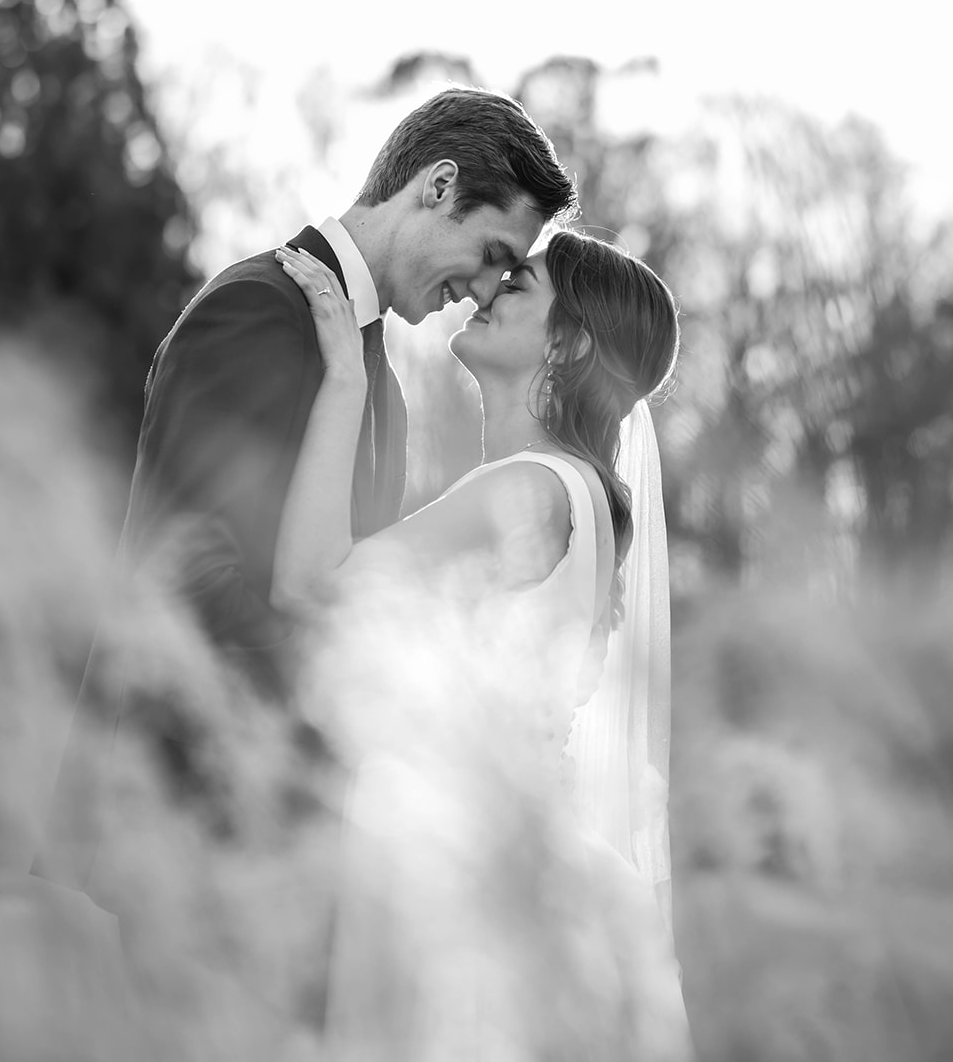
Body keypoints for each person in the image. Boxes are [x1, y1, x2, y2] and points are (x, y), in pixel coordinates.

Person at [36, 85, 576, 898]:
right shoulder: (259, 308)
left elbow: (351, 588)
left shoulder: (378, 383)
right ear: (437, 187)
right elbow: (187, 576)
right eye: (493, 253)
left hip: (282, 835)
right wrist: (365, 685)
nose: (482, 290)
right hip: (177, 822)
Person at [273, 230, 694, 1060]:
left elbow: (311, 587)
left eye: (519, 284)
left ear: (568, 343)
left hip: (457, 883)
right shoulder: (572, 493)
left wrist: (345, 378)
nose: (488, 289)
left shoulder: (532, 490)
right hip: (508, 868)